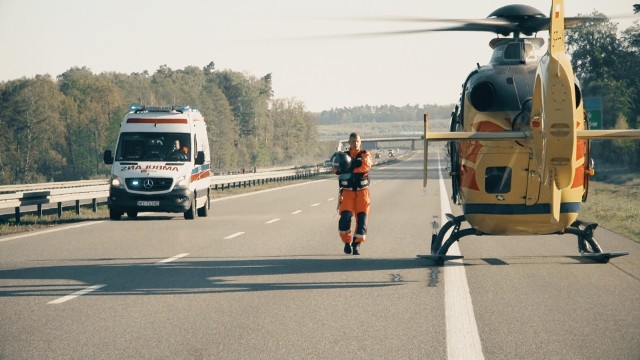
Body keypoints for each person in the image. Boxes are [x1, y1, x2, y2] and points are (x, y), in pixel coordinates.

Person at [332, 132, 372, 255]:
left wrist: (349, 167)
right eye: (353, 141)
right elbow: (335, 169)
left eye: (357, 141)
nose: (355, 143)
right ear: (349, 142)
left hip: (362, 193)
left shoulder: (365, 154)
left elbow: (365, 166)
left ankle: (356, 244)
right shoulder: (342, 156)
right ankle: (346, 243)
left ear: (361, 142)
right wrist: (341, 169)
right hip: (347, 193)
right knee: (345, 218)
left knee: (362, 220)